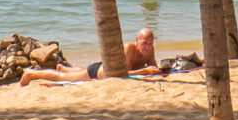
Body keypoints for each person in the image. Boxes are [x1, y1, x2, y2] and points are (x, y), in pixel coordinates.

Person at [19, 29, 161, 84]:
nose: (148, 47)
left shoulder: (150, 50)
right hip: (98, 72)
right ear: (137, 40)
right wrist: (144, 71)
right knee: (61, 78)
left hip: (100, 66)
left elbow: (153, 66)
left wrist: (159, 71)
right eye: (144, 43)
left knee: (80, 71)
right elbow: (121, 74)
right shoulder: (129, 48)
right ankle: (31, 73)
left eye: (150, 43)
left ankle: (65, 68)